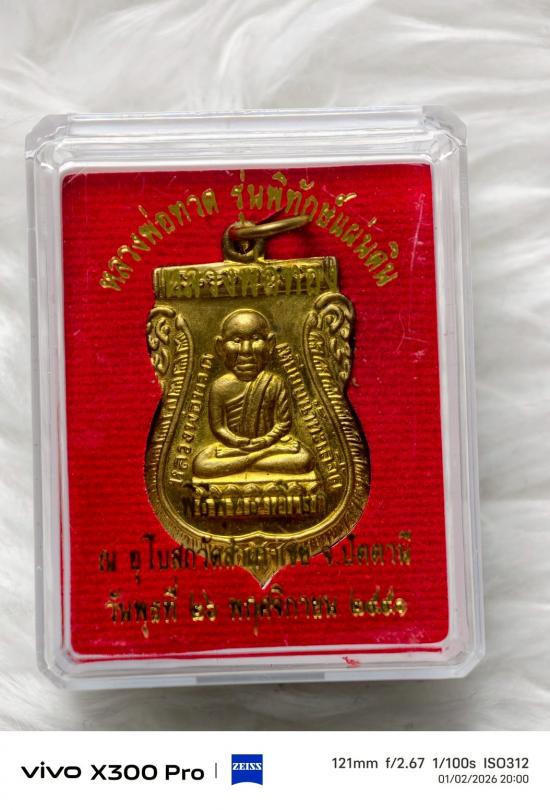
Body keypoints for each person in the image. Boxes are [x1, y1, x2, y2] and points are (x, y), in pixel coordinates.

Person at [192, 308, 313, 478]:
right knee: (201, 464)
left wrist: (265, 441)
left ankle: (246, 462)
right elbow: (218, 427)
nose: (246, 350)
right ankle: (257, 459)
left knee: (304, 459)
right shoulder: (220, 386)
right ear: (220, 347)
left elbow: (283, 423)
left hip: (269, 444)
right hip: (234, 447)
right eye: (236, 340)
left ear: (270, 344)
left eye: (256, 339)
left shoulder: (275, 382)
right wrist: (235, 441)